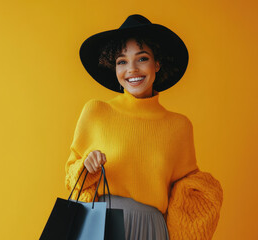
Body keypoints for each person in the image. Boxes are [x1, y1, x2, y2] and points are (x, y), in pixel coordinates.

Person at [65, 14, 223, 240]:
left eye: (142, 59)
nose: (132, 69)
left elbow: (185, 191)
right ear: (114, 67)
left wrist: (204, 190)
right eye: (122, 61)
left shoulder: (179, 126)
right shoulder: (96, 112)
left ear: (157, 63)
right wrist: (86, 166)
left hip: (152, 230)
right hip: (101, 225)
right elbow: (71, 176)